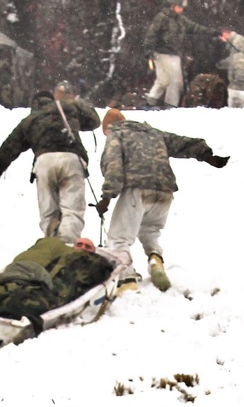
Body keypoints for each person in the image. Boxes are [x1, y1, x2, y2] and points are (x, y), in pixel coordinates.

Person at [95, 109, 228, 292]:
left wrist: (107, 197)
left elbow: (114, 165)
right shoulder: (153, 133)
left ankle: (127, 280)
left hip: (137, 188)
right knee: (150, 230)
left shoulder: (117, 134)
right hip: (164, 191)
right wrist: (206, 155)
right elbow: (182, 143)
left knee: (119, 238)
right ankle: (155, 257)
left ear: (107, 129)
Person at [0, 81, 101, 244]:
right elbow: (94, 121)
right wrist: (76, 107)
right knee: (72, 209)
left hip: (44, 162)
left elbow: (7, 150)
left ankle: (51, 244)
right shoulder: (67, 107)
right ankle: (67, 244)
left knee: (48, 213)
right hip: (71, 158)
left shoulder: (29, 120)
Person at [144, 0, 223, 108]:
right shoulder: (162, 18)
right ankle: (168, 106)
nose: (181, 9)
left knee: (164, 81)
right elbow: (151, 34)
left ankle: (154, 103)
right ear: (172, 5)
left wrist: (215, 32)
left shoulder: (181, 20)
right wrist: (148, 50)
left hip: (174, 55)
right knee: (175, 83)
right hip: (163, 53)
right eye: (179, 6)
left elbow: (195, 28)